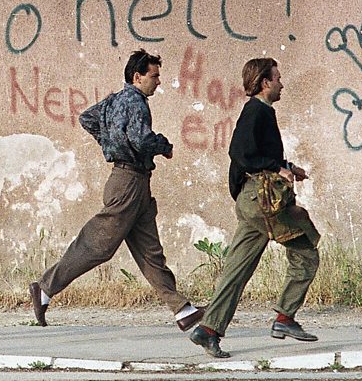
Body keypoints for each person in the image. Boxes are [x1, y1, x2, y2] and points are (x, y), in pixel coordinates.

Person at [29, 49, 203, 332]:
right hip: (128, 183)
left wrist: (110, 142)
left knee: (149, 251)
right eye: (154, 76)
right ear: (138, 76)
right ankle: (45, 287)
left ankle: (183, 311)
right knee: (97, 244)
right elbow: (140, 139)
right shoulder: (136, 102)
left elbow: (88, 118)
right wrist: (163, 146)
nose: (158, 81)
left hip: (135, 181)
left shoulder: (115, 100)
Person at [189, 58, 321, 359]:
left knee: (237, 269)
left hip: (253, 204)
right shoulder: (256, 110)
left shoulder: (261, 111)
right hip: (261, 201)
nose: (281, 84)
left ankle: (208, 330)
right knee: (306, 250)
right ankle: (285, 318)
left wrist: (288, 167)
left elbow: (257, 154)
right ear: (265, 82)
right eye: (277, 78)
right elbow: (240, 152)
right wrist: (276, 168)